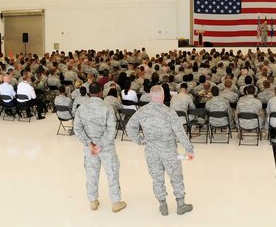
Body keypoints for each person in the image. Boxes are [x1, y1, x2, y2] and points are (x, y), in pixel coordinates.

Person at [125, 85, 195, 216]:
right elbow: (180, 132)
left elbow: (129, 127)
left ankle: (163, 206)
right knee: (176, 177)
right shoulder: (169, 112)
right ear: (163, 96)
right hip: (169, 152)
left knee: (157, 179)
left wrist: (140, 140)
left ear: (150, 96)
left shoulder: (142, 111)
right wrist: (189, 149)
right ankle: (181, 205)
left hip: (151, 151)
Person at [73, 83, 126, 213]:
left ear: (89, 92)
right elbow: (111, 130)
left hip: (90, 149)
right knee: (112, 173)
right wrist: (100, 145)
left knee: (91, 174)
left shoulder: (82, 108)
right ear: (101, 91)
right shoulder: (107, 107)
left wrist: (90, 144)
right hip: (106, 148)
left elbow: (77, 129)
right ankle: (115, 202)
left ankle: (93, 201)